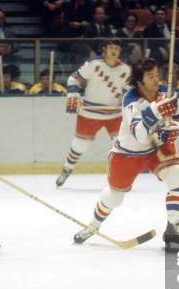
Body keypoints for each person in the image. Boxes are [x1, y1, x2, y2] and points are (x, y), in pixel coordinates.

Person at [73, 58, 179, 251]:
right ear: (139, 81)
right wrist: (156, 111)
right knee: (114, 197)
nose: (156, 80)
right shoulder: (130, 101)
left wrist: (177, 130)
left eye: (156, 75)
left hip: (157, 149)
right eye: (150, 76)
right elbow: (139, 135)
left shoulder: (168, 93)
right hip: (128, 153)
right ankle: (93, 226)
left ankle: (173, 230)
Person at [56, 39, 131, 187]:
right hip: (90, 112)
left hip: (114, 113)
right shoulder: (93, 64)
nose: (114, 51)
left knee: (121, 145)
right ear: (104, 49)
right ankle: (67, 169)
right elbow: (73, 79)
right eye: (111, 47)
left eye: (117, 48)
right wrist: (73, 94)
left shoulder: (125, 69)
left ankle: (121, 176)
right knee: (80, 145)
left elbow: (130, 90)